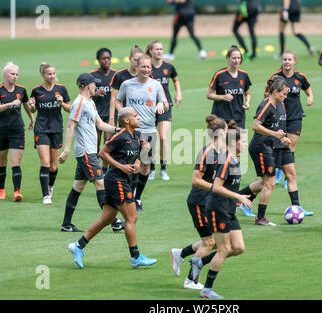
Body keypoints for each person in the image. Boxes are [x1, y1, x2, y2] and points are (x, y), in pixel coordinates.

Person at [67, 107, 157, 269]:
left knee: (107, 218)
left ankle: (78, 246)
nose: (139, 118)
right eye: (135, 116)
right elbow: (102, 153)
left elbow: (136, 160)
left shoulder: (136, 136)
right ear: (126, 120)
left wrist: (142, 155)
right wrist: (121, 167)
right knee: (131, 218)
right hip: (116, 180)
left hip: (121, 181)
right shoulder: (119, 136)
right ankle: (135, 257)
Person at [57, 73, 124, 233]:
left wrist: (117, 130)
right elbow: (70, 126)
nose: (97, 87)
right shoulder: (79, 103)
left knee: (78, 186)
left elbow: (100, 124)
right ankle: (114, 221)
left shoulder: (90, 103)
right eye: (95, 85)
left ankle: (66, 224)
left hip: (89, 151)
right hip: (86, 151)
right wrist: (66, 150)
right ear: (88, 86)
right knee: (101, 183)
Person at [170, 115, 229, 290]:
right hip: (199, 202)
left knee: (214, 242)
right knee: (210, 242)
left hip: (210, 202)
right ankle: (190, 280)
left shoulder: (222, 151)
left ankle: (181, 253)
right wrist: (215, 188)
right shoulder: (207, 152)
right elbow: (195, 180)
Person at [197, 123, 252, 299]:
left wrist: (234, 197)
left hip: (228, 209)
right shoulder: (226, 159)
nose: (245, 144)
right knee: (223, 249)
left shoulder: (235, 159)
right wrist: (240, 197)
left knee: (238, 248)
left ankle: (200, 261)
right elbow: (216, 187)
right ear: (234, 142)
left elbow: (228, 186)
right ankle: (206, 289)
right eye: (243, 141)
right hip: (217, 209)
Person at [115, 55, 168, 212]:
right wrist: (123, 113)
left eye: (148, 67)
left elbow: (165, 105)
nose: (146, 70)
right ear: (137, 67)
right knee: (131, 165)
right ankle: (129, 197)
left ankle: (137, 197)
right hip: (132, 131)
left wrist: (160, 104)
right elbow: (118, 101)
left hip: (149, 130)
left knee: (145, 165)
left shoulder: (156, 85)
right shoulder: (127, 84)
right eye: (143, 67)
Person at [265, 51, 313, 190]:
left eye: (289, 59)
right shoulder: (275, 77)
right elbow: (266, 93)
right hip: (279, 117)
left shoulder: (300, 77)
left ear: (294, 62)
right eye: (285, 59)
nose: (287, 62)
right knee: (279, 146)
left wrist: (310, 96)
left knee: (290, 146)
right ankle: (280, 169)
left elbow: (307, 88)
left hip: (295, 117)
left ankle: (286, 176)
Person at [248, 76, 293, 226]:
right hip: (260, 147)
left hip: (267, 146)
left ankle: (239, 198)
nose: (285, 97)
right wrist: (275, 135)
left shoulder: (278, 105)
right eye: (284, 94)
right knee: (270, 182)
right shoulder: (266, 105)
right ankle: (260, 218)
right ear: (275, 91)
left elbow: (273, 127)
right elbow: (255, 125)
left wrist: (281, 138)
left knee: (264, 182)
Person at [28, 63, 71, 205]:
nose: (52, 76)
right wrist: (32, 106)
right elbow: (33, 110)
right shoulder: (36, 91)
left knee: (53, 166)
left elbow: (69, 108)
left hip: (56, 129)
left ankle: (50, 186)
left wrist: (62, 103)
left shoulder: (61, 89)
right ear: (43, 75)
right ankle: (46, 195)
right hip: (41, 129)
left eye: (53, 73)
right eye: (49, 74)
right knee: (45, 163)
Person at [0, 62, 34, 202]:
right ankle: (1, 189)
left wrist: (32, 118)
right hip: (2, 130)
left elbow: (26, 105)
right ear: (5, 74)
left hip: (17, 130)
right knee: (2, 162)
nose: (15, 77)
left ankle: (17, 192)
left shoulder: (21, 90)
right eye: (12, 74)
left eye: (17, 74)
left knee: (16, 162)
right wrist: (10, 104)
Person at [146, 40, 182, 181]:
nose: (159, 51)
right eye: (156, 49)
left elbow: (176, 80)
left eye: (161, 49)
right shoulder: (147, 67)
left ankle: (164, 169)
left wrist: (178, 93)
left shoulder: (168, 66)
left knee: (162, 137)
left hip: (165, 106)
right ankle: (152, 168)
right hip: (149, 107)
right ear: (151, 51)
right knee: (151, 139)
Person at [207, 45, 251, 130]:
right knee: (221, 143)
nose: (237, 60)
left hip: (239, 117)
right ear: (228, 58)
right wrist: (223, 97)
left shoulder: (244, 75)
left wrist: (248, 102)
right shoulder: (219, 75)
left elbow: (247, 93)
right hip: (221, 118)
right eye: (234, 58)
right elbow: (209, 95)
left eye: (239, 58)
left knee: (239, 143)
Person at [90, 48, 117, 172]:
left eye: (108, 58)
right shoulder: (92, 76)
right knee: (94, 144)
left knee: (107, 144)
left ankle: (105, 171)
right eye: (103, 58)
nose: (106, 61)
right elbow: (86, 94)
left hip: (110, 116)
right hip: (96, 116)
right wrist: (95, 93)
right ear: (98, 60)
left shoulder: (116, 75)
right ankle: (94, 168)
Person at [108, 46, 144, 128]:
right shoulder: (119, 76)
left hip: (142, 118)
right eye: (135, 60)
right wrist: (111, 119)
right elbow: (113, 98)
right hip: (125, 119)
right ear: (129, 58)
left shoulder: (145, 76)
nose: (137, 63)